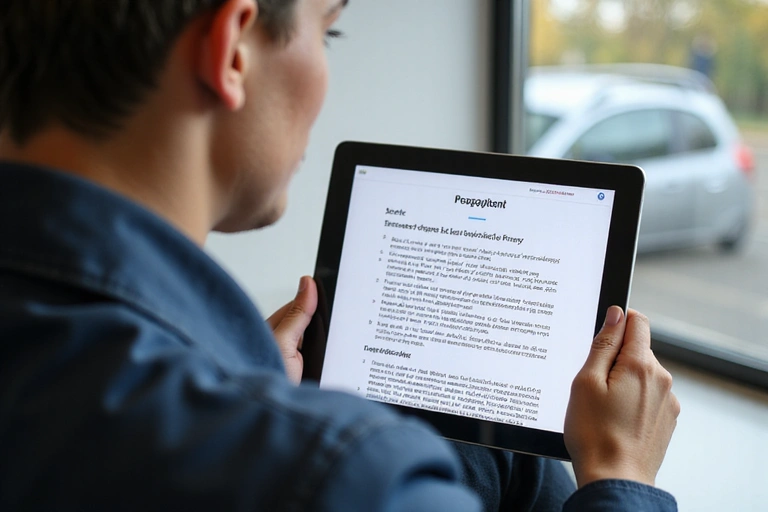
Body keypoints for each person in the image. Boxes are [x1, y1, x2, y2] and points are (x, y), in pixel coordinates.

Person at [0, 0, 680, 510]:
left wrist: (246, 378)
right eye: (328, 32)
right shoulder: (346, 477)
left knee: (497, 460)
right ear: (233, 48)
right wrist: (621, 475)